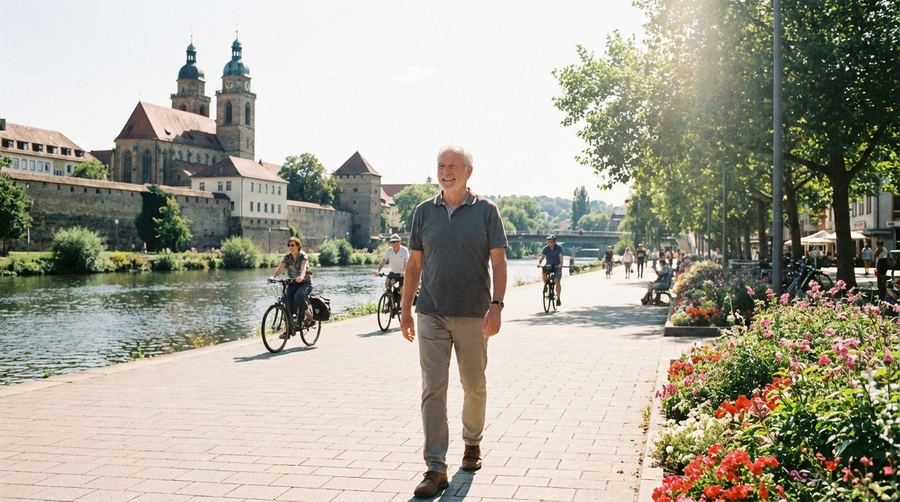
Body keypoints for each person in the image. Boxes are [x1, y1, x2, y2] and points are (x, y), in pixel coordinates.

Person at [400, 145, 508, 499]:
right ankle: (435, 468)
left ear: (468, 171)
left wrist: (497, 306)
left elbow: (499, 263)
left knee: (474, 384)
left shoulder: (487, 212)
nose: (447, 171)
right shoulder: (422, 213)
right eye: (441, 166)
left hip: (474, 314)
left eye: (453, 166)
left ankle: (472, 443)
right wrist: (405, 310)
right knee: (433, 388)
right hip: (430, 311)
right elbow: (413, 266)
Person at [268, 236, 314, 327]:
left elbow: (303, 268)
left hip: (305, 283)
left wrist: (301, 276)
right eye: (289, 245)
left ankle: (309, 315)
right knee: (287, 300)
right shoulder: (287, 257)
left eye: (292, 245)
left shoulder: (303, 256)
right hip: (293, 283)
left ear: (298, 246)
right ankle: (289, 328)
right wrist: (273, 276)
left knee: (298, 296)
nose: (290, 247)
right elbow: (280, 267)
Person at [374, 233, 410, 306]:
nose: (394, 244)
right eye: (392, 242)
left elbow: (406, 262)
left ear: (400, 241)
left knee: (402, 290)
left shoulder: (404, 250)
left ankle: (403, 307)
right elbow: (383, 262)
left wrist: (404, 271)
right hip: (393, 273)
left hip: (402, 274)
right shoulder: (389, 251)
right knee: (387, 285)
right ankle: (390, 299)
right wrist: (378, 271)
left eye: (396, 242)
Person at [537, 235, 564, 306]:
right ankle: (545, 284)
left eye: (551, 241)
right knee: (543, 271)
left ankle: (558, 298)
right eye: (548, 241)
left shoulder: (559, 248)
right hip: (549, 265)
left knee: (557, 281)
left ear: (554, 241)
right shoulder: (546, 248)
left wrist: (561, 264)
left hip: (557, 266)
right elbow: (542, 257)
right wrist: (539, 263)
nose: (550, 242)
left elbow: (561, 256)